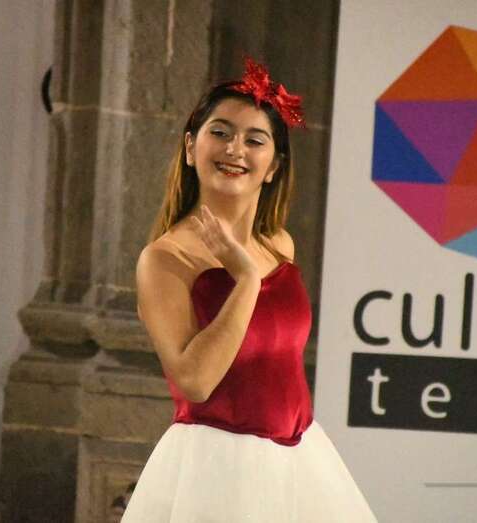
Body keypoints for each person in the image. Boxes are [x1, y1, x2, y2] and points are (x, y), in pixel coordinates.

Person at [121, 57, 379, 522]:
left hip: (299, 462)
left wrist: (249, 268)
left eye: (254, 140)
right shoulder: (164, 259)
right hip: (216, 472)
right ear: (190, 147)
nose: (234, 149)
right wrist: (245, 280)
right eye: (220, 132)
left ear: (274, 165)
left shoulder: (279, 244)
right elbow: (195, 382)